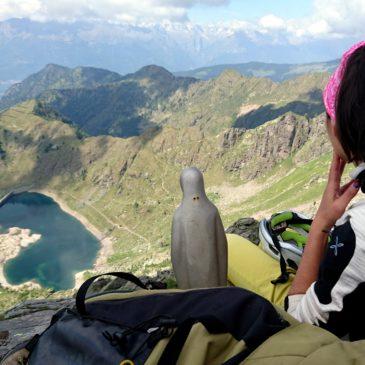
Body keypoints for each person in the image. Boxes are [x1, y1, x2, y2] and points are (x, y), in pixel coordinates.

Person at [227, 41, 365, 340]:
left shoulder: (358, 233)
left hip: (331, 342)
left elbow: (299, 324)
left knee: (227, 246)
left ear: (342, 125)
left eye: (329, 113)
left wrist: (321, 226)